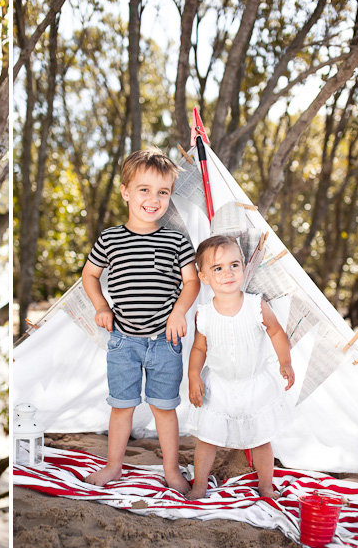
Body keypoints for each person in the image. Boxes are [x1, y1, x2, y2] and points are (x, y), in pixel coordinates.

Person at [82, 147, 200, 492]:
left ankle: (171, 470)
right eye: (144, 189)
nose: (153, 199)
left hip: (165, 342)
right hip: (123, 341)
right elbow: (90, 276)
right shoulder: (110, 238)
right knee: (122, 407)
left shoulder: (176, 239)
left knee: (164, 409)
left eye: (162, 192)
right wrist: (102, 307)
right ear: (126, 192)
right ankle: (114, 466)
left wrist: (178, 312)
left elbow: (191, 281)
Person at [186, 235, 295, 500]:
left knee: (260, 439)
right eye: (218, 268)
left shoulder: (255, 305)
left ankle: (266, 485)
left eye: (234, 265)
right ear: (204, 277)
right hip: (219, 386)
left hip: (254, 385)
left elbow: (277, 332)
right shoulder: (205, 313)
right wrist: (193, 376)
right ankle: (200, 484)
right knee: (208, 438)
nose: (228, 273)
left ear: (243, 267)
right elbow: (199, 348)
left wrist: (286, 362)